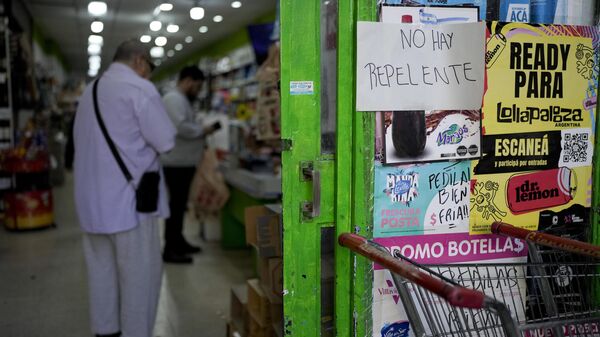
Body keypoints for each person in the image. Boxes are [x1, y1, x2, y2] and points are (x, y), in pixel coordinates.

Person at [73, 39, 176, 337]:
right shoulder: (139, 89)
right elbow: (166, 141)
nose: (149, 74)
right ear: (140, 61)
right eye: (150, 67)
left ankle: (106, 332)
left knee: (101, 276)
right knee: (139, 281)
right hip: (129, 204)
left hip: (91, 204)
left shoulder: (89, 92)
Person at [161, 65, 219, 264]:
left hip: (183, 162)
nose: (199, 91)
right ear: (187, 81)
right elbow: (181, 128)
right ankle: (170, 248)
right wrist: (203, 130)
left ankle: (178, 241)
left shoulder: (180, 99)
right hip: (176, 162)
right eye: (197, 86)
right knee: (175, 206)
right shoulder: (173, 99)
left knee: (179, 205)